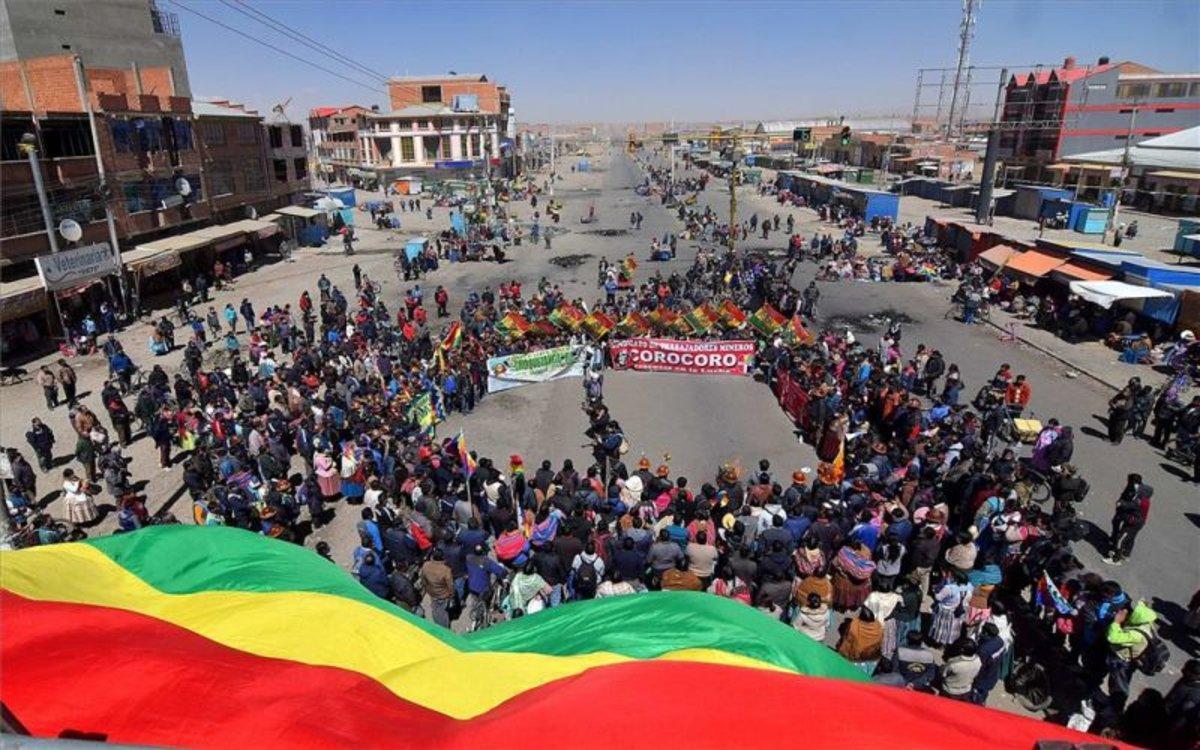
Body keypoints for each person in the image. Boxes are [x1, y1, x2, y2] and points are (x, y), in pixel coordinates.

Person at [1105, 600, 1159, 711]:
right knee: (1118, 683)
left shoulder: (1136, 635)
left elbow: (1113, 638)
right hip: (1127, 661)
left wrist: (1116, 622)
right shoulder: (1146, 624)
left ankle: (1115, 709)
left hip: (1122, 662)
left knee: (1118, 687)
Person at [1106, 474, 1151, 565]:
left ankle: (1116, 559)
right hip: (1134, 520)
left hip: (1133, 520)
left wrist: (1121, 504)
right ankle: (1126, 554)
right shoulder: (1140, 492)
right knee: (1130, 537)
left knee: (1121, 538)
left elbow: (1133, 505)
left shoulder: (1140, 500)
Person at [940, 637, 982, 701]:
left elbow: (943, 674)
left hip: (950, 691)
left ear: (962, 650)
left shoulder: (954, 664)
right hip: (966, 690)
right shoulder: (978, 660)